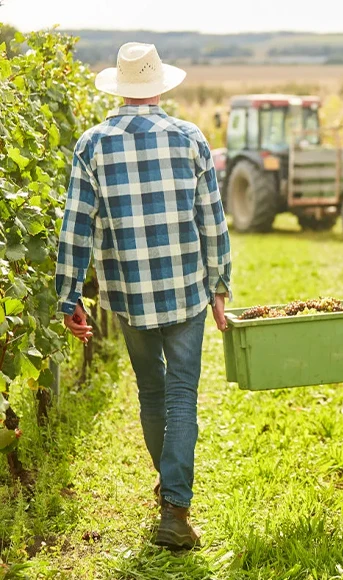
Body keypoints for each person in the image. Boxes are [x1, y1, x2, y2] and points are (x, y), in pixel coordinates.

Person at [55, 43, 232, 550]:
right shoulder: (191, 138)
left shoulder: (92, 145)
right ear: (158, 87)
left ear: (120, 88)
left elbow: (74, 229)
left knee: (152, 393)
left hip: (128, 294)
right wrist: (219, 286)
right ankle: (174, 510)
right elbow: (212, 222)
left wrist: (70, 298)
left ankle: (169, 492)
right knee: (181, 397)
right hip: (185, 291)